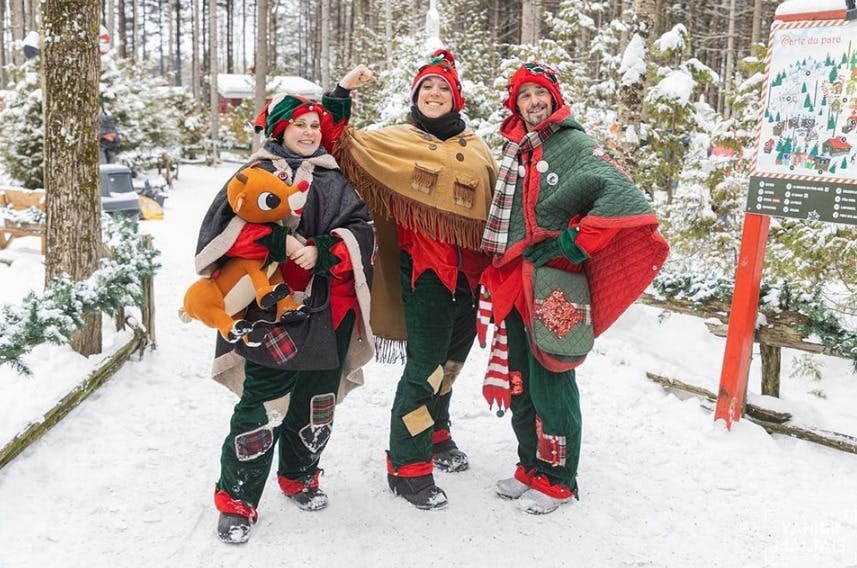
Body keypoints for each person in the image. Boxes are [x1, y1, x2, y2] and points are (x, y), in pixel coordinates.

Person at [478, 63, 669, 514]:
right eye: (525, 96)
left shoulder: (575, 144)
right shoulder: (520, 150)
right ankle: (531, 466)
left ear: (554, 98)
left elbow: (624, 198)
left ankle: (558, 478)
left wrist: (571, 242)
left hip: (553, 284)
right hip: (516, 279)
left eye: (540, 94)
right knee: (521, 379)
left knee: (553, 380)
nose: (533, 103)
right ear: (515, 104)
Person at [193, 94, 375, 543]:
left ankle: (300, 475)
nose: (310, 132)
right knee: (264, 404)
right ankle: (237, 499)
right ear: (279, 130)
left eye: (315, 125)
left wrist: (323, 249)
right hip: (270, 311)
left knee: (318, 400)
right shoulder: (253, 172)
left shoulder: (337, 179)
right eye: (300, 125)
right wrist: (274, 243)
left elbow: (363, 229)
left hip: (330, 309)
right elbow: (221, 231)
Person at [321, 50, 498, 510]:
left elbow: (496, 203)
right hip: (426, 274)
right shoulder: (397, 141)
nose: (434, 95)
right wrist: (342, 92)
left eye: (442, 88)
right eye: (426, 88)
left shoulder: (477, 146)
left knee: (453, 361)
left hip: (470, 275)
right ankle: (408, 465)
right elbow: (339, 141)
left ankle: (437, 433)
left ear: (454, 96)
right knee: (425, 368)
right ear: (415, 96)